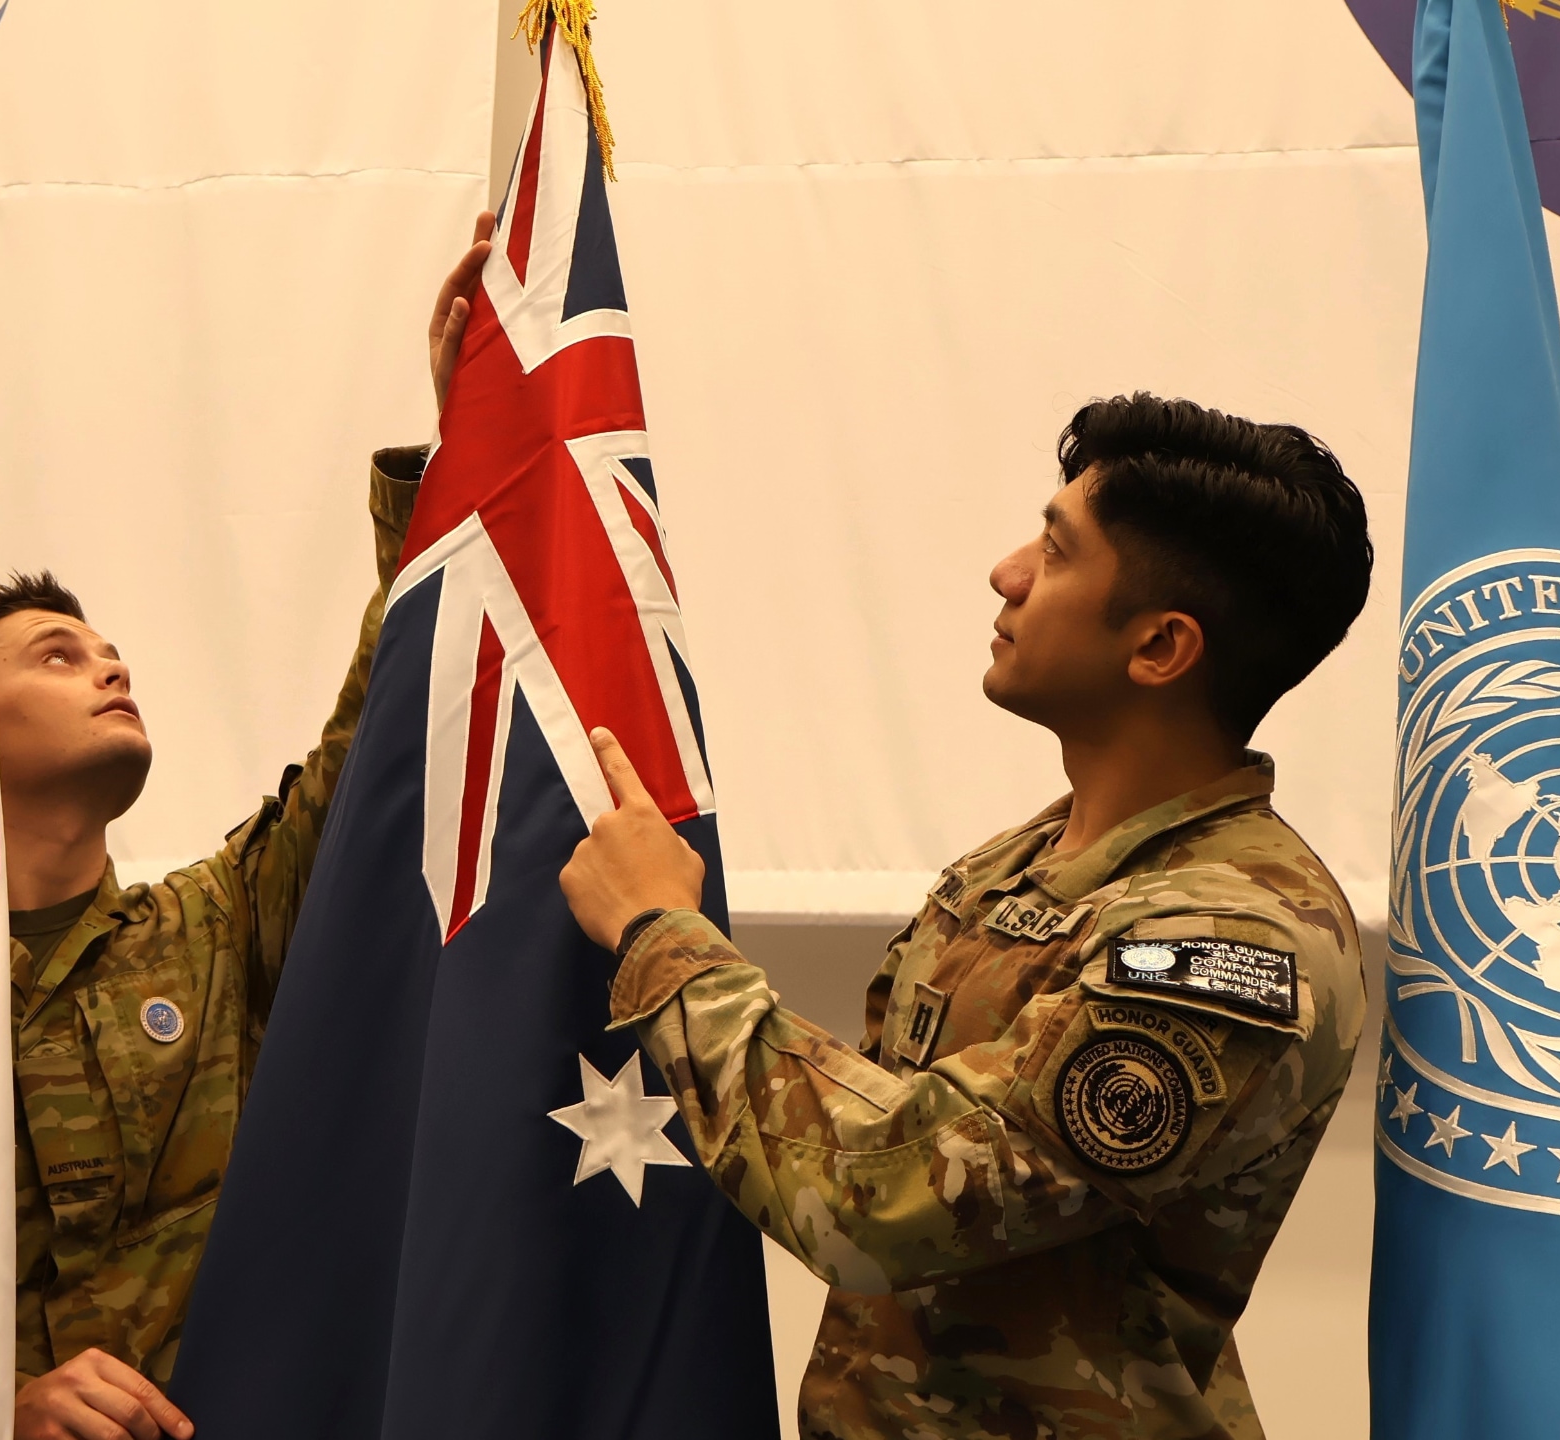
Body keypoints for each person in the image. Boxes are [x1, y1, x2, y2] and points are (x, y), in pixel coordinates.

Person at [560, 394, 1374, 1440]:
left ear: (1161, 648)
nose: (1007, 574)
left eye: (1056, 551)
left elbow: (882, 1196)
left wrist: (663, 941)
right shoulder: (1022, 863)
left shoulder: (1231, 941)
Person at [2, 212, 497, 1440]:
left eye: (114, 652)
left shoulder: (208, 929)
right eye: (59, 656)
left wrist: (465, 451)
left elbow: (369, 748)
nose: (111, 670)